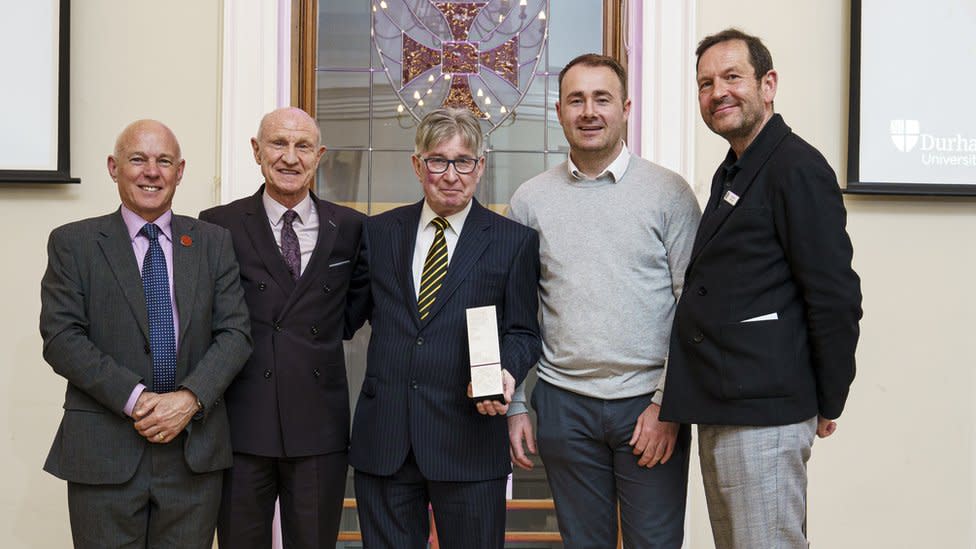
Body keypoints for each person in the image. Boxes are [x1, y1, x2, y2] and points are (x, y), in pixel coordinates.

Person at [660, 28, 863, 548]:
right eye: (705, 84)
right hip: (725, 404)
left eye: (732, 77)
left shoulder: (797, 167)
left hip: (765, 412)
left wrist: (829, 398)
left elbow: (835, 296)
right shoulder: (735, 169)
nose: (717, 92)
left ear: (768, 84)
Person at [506, 53, 701, 548]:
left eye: (602, 99)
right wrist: (517, 406)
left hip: (647, 407)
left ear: (626, 108)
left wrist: (667, 405)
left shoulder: (669, 194)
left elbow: (694, 309)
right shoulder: (530, 200)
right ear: (559, 112)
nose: (589, 111)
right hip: (563, 405)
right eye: (576, 99)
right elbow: (516, 313)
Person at [39, 119, 252, 548]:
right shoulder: (74, 243)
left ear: (180, 171)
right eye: (138, 159)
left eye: (164, 161)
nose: (151, 171)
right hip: (105, 453)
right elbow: (62, 338)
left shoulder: (213, 242)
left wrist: (188, 400)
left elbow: (236, 334)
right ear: (114, 167)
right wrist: (138, 400)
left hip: (193, 454)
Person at [346, 107, 541, 549]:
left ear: (480, 166)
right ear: (418, 165)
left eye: (463, 161)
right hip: (386, 439)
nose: (451, 174)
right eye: (438, 160)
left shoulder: (513, 241)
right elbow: (346, 314)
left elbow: (524, 332)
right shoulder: (378, 233)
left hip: (469, 439)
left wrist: (506, 375)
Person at [199, 107, 366, 547]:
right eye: (278, 143)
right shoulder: (218, 225)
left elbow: (351, 314)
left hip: (319, 428)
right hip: (241, 427)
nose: (290, 157)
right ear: (256, 151)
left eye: (303, 146)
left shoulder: (351, 228)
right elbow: (206, 320)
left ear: (319, 155)